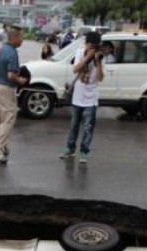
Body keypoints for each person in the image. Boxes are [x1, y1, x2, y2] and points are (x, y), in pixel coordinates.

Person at [60, 31, 104, 164]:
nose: (91, 48)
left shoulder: (99, 56)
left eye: (94, 46)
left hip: (91, 98)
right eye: (90, 45)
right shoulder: (80, 52)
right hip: (78, 96)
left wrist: (99, 63)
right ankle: (70, 149)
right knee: (74, 125)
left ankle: (84, 152)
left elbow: (101, 78)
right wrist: (87, 57)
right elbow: (76, 69)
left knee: (88, 127)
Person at [0, 25, 28, 164]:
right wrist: (21, 80)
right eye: (22, 37)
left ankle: (3, 147)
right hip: (7, 88)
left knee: (2, 119)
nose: (23, 40)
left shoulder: (2, 49)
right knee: (9, 119)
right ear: (15, 37)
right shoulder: (12, 52)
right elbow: (11, 75)